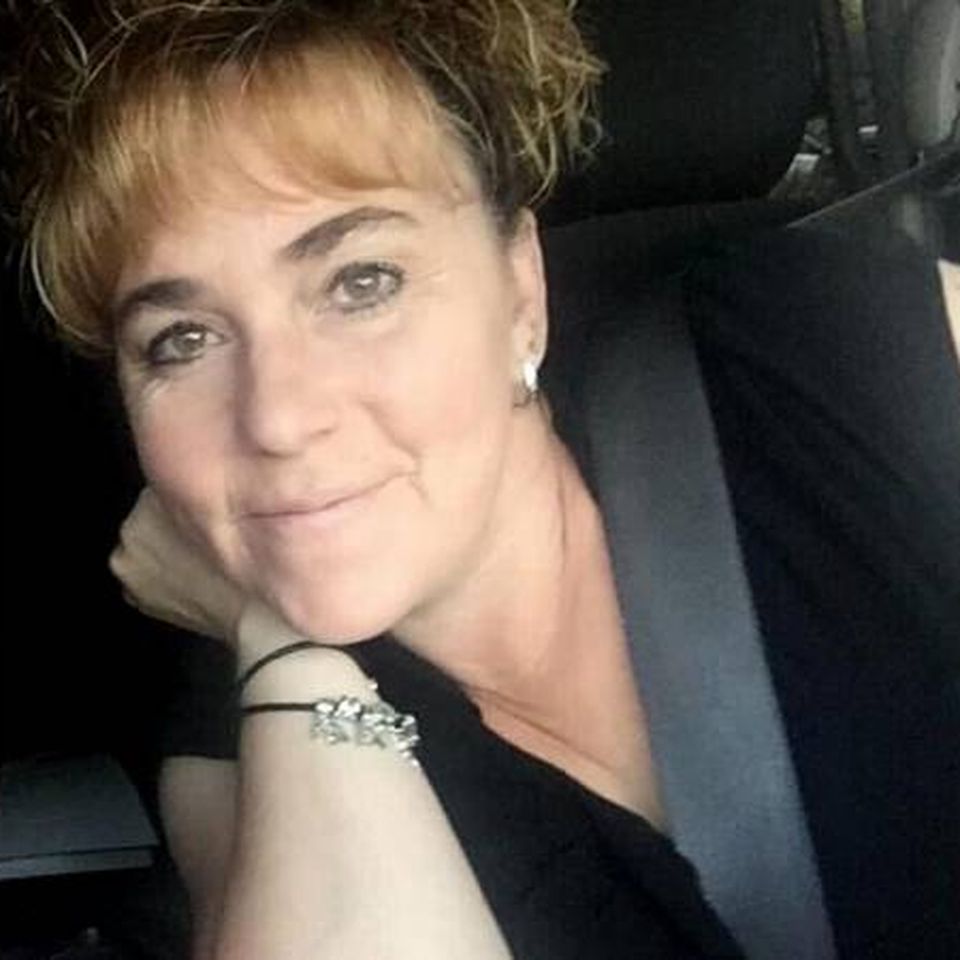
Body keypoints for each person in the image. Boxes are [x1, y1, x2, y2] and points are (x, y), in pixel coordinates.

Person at [3, 2, 958, 959]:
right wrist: (277, 643)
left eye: (362, 283)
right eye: (183, 339)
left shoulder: (838, 351)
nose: (278, 419)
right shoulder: (239, 726)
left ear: (521, 294)